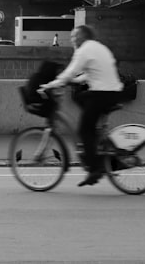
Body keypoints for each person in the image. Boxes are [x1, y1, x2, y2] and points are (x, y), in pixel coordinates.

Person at [40, 25, 124, 187]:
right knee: (82, 99)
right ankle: (100, 147)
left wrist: (51, 85)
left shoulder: (84, 50)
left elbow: (70, 72)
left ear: (83, 37)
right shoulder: (100, 47)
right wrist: (76, 81)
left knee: (84, 130)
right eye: (72, 37)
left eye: (75, 37)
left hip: (101, 94)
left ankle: (94, 169)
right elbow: (91, 72)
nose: (73, 40)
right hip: (113, 92)